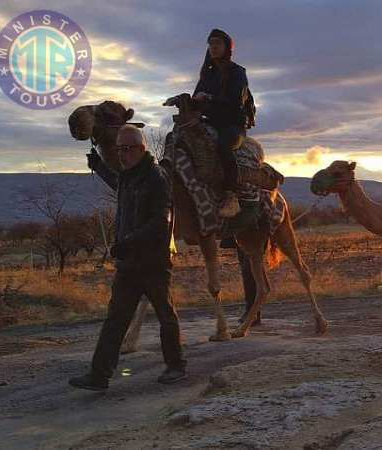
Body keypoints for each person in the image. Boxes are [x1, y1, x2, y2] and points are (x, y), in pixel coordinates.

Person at [70, 125, 186, 391]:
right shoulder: (128, 177)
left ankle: (176, 365)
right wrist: (99, 166)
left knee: (166, 314)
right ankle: (99, 375)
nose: (121, 154)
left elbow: (160, 222)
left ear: (141, 149)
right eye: (119, 149)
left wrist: (128, 243)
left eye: (127, 149)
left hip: (153, 262)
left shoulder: (158, 177)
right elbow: (116, 182)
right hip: (129, 263)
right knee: (116, 318)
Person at [192, 28, 256, 218]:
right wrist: (184, 100)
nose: (213, 47)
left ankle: (231, 194)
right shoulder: (207, 74)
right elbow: (197, 97)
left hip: (233, 125)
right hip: (210, 123)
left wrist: (209, 98)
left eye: (217, 43)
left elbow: (236, 102)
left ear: (227, 47)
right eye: (211, 44)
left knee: (222, 146)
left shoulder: (238, 73)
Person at [219, 235, 261, 324]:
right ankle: (253, 312)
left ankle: (252, 312)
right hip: (242, 236)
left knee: (248, 268)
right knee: (245, 265)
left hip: (255, 232)